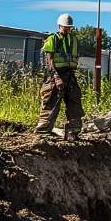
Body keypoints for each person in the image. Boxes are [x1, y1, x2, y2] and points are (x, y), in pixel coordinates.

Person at [35, 13, 83, 141]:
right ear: (59, 26)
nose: (67, 29)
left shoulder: (73, 40)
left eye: (69, 27)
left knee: (75, 102)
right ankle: (43, 133)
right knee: (51, 103)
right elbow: (49, 60)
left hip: (70, 75)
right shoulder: (53, 39)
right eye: (65, 27)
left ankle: (73, 132)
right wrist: (56, 77)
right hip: (55, 75)